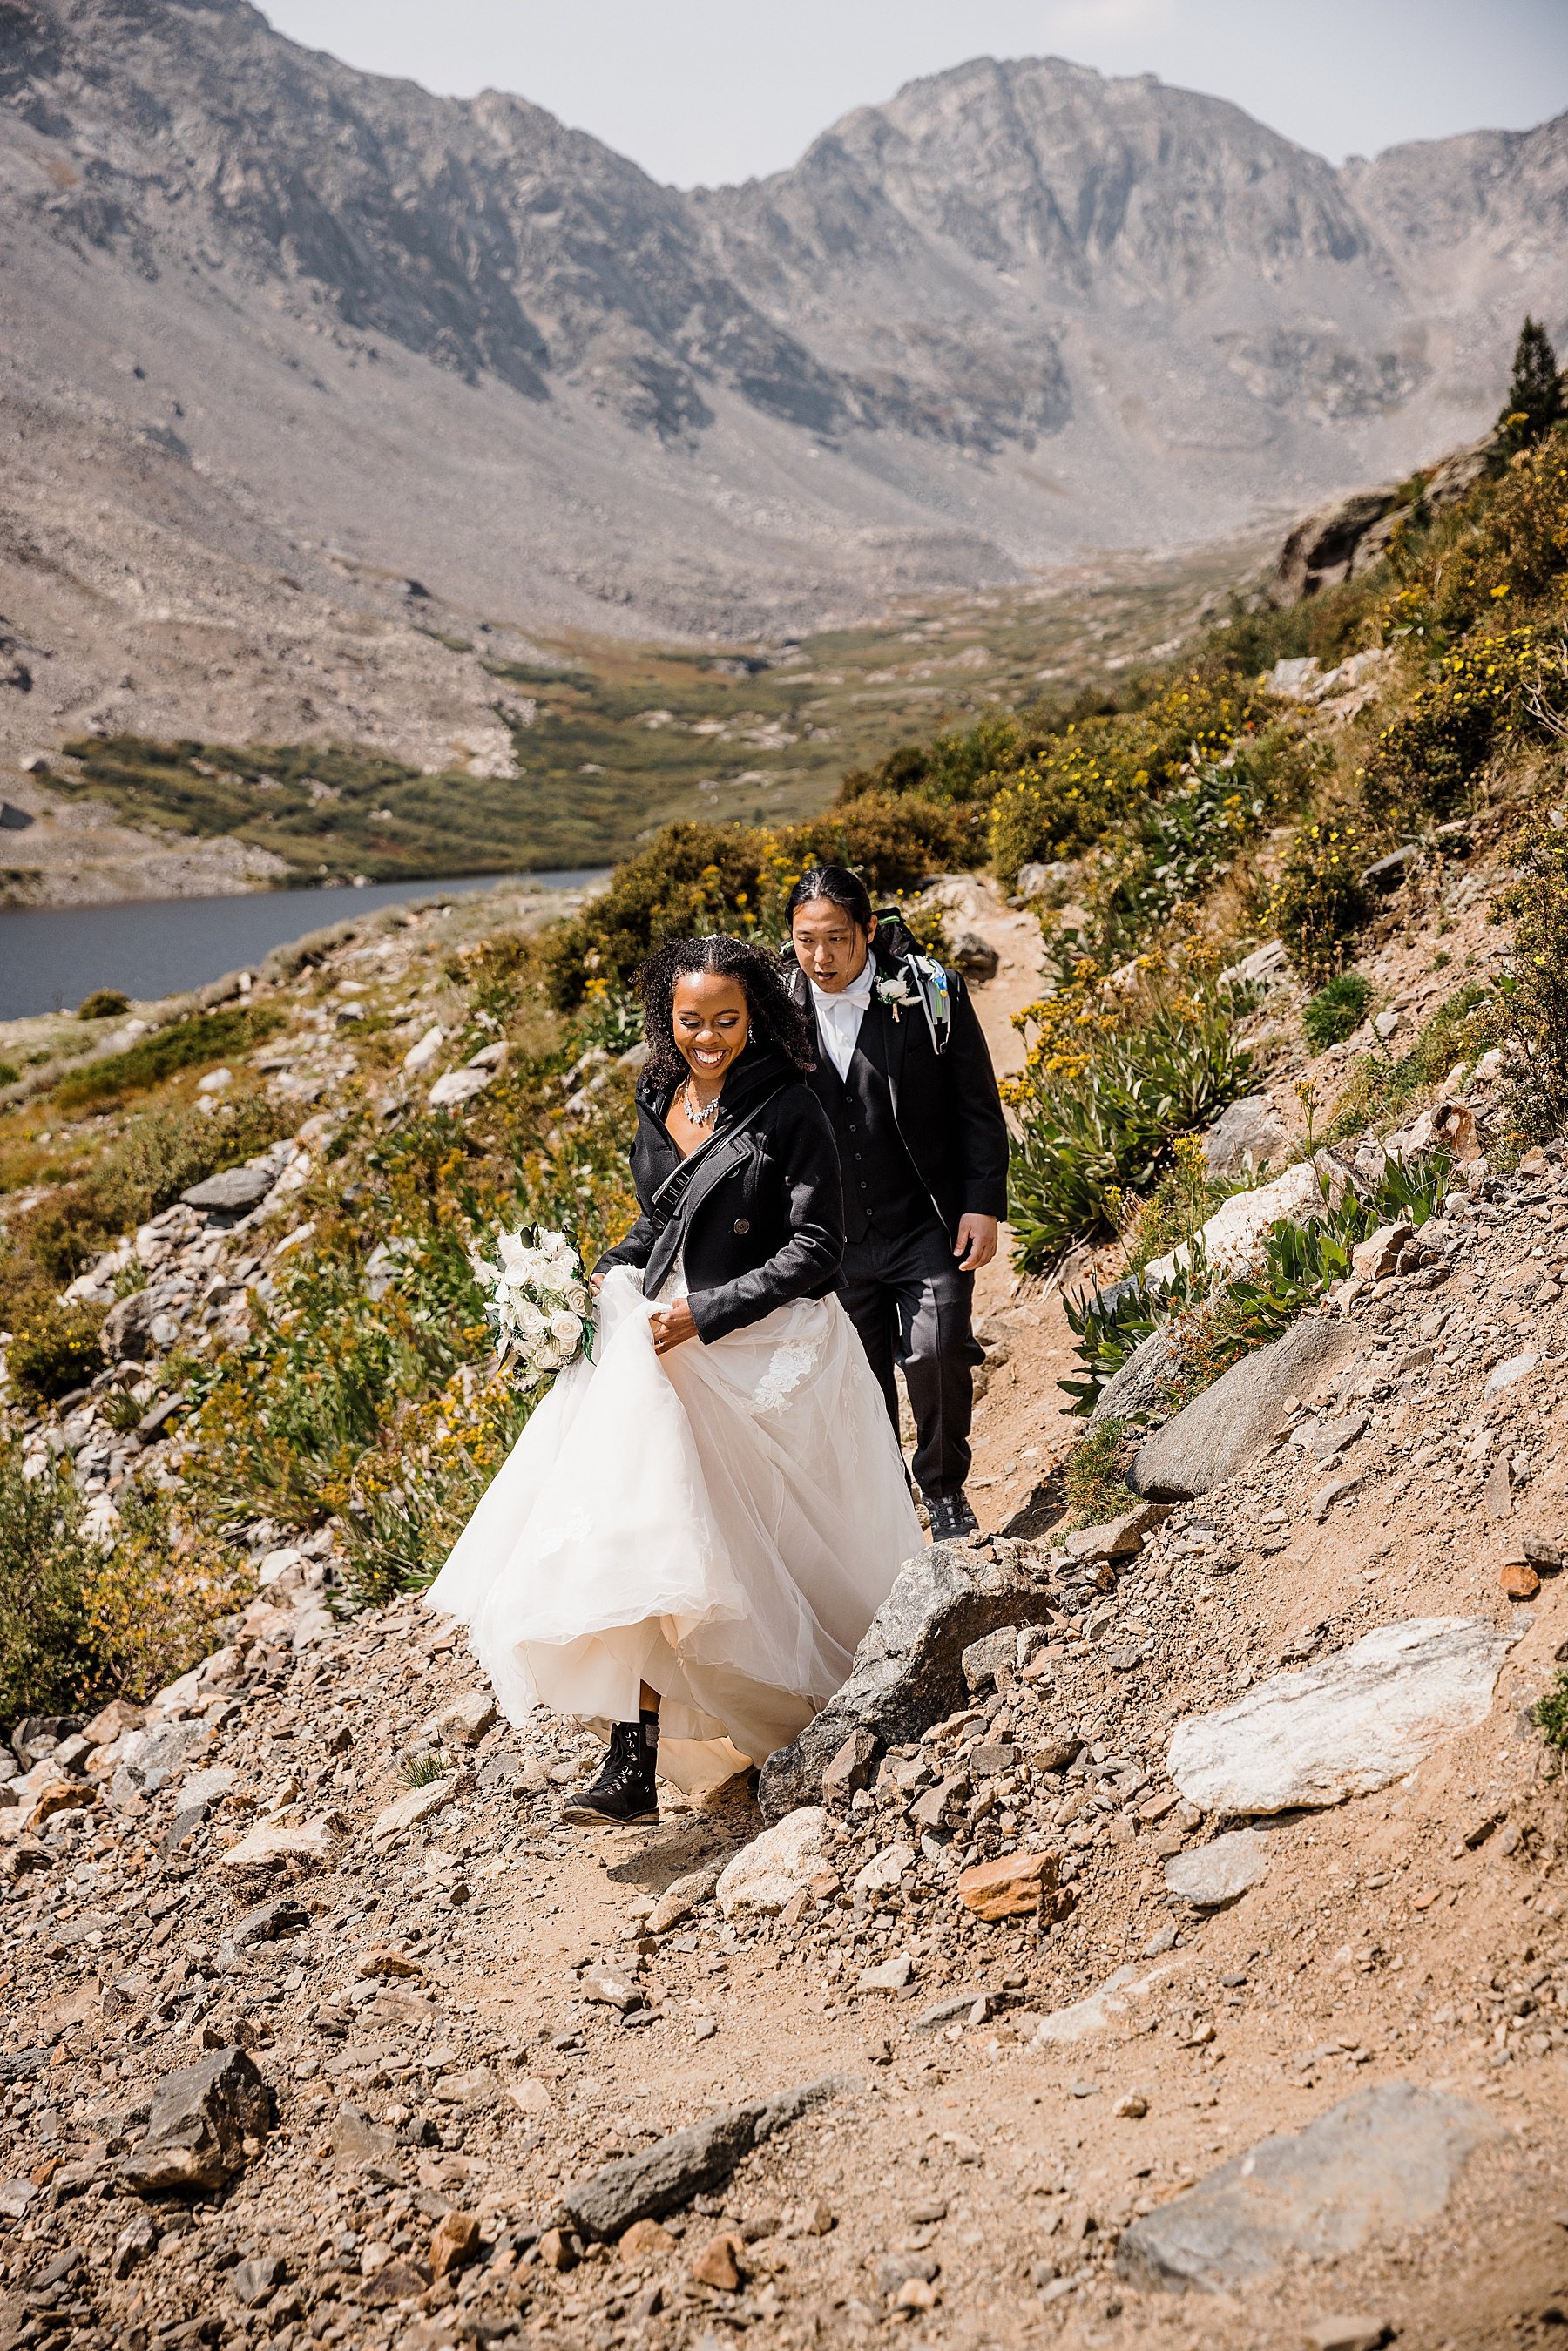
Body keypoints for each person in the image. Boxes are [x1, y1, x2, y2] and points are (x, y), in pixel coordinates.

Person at [422, 933, 923, 1827]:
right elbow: (660, 1220)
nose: (709, 1038)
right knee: (648, 1529)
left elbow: (819, 1249)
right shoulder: (658, 1091)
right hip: (665, 1341)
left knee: (777, 1555)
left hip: (765, 1347)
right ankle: (631, 1766)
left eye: (727, 1020)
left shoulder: (792, 1105)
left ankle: (831, 1686)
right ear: (667, 1016)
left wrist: (702, 1313)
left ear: (756, 1014)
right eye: (691, 1020)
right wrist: (593, 1278)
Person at [783, 865, 1010, 1542]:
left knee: (938, 1351)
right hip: (830, 1240)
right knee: (860, 1386)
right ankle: (890, 1508)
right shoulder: (772, 1013)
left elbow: (978, 1105)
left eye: (836, 939)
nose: (820, 958)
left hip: (923, 1221)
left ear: (869, 932)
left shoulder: (931, 992)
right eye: (804, 940)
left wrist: (981, 1203)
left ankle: (944, 1492)